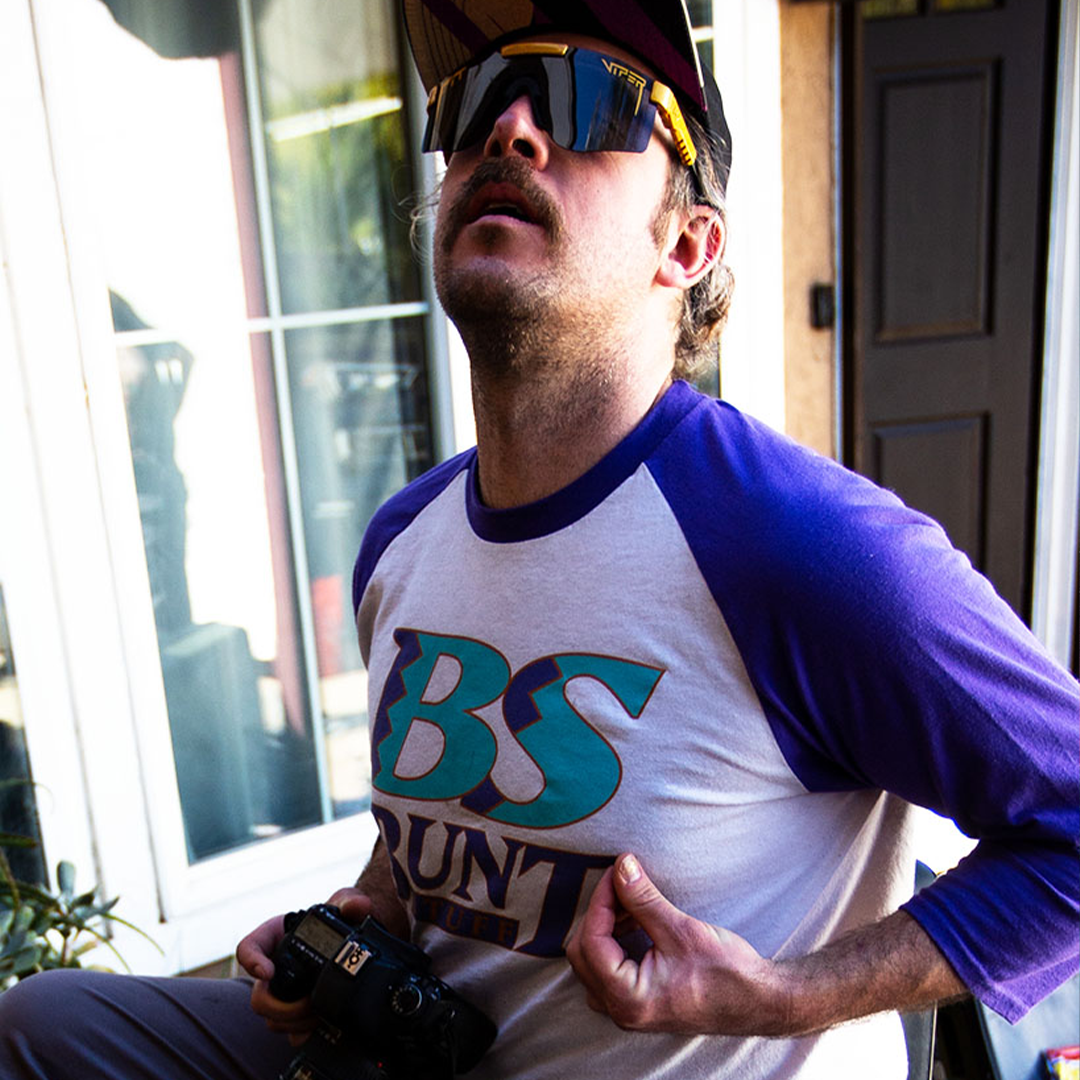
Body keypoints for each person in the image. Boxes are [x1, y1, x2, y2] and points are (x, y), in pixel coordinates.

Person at [0, 1, 1076, 1078]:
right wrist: (361, 922)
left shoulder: (802, 549)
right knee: (46, 1027)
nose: (509, 130)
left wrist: (788, 995)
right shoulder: (404, 542)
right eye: (472, 106)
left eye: (590, 103)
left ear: (687, 243)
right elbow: (434, 841)